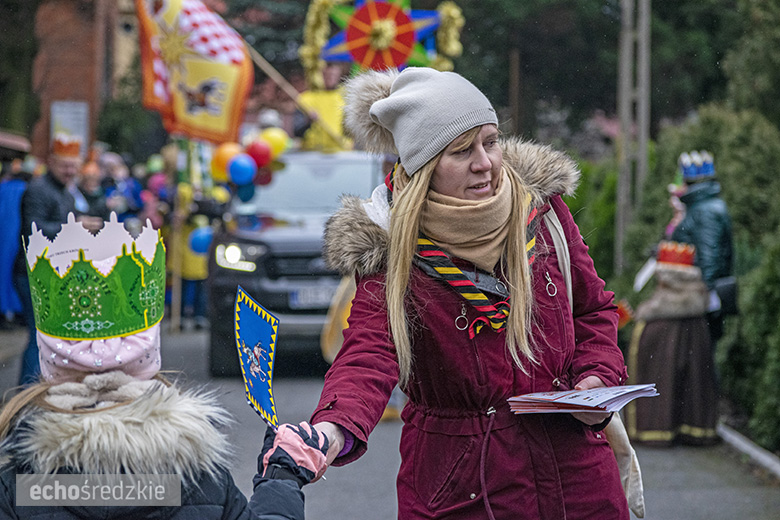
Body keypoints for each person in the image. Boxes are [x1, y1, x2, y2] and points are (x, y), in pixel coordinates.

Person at [309, 68, 629, 519]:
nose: (486, 162)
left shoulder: (544, 210)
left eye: (491, 141)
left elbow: (593, 310)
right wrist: (330, 430)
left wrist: (596, 378)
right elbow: (368, 354)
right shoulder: (389, 248)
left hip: (576, 485)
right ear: (422, 168)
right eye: (462, 151)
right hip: (459, 492)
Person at [0, 214, 329, 519]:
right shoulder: (201, 480)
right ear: (147, 353)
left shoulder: (14, 481)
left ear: (50, 357)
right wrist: (281, 478)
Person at [12, 134, 104, 385]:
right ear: (51, 162)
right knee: (40, 336)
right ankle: (26, 396)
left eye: (74, 165)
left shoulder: (66, 193)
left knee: (48, 336)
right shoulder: (38, 190)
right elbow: (33, 231)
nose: (70, 170)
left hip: (51, 273)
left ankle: (39, 392)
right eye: (65, 165)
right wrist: (75, 225)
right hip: (30, 273)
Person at [623, 240, 719, 446]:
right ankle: (693, 427)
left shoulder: (656, 320)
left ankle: (657, 425)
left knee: (663, 377)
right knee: (692, 379)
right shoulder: (698, 317)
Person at [671, 150, 734, 344]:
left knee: (701, 360)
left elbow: (709, 256)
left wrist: (703, 301)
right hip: (696, 295)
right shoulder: (702, 207)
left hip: (701, 300)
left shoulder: (706, 210)